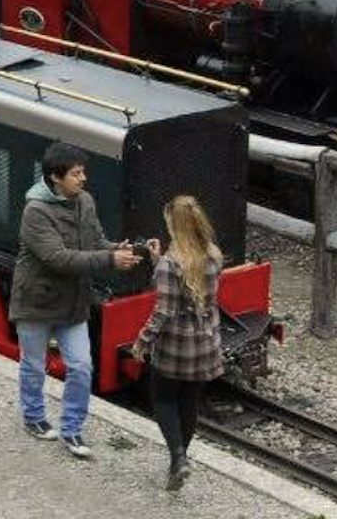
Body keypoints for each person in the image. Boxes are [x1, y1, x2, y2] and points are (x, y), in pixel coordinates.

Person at [10, 141, 142, 460]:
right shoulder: (35, 212)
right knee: (33, 365)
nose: (83, 179)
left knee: (82, 366)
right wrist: (109, 259)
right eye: (76, 173)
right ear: (56, 177)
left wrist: (123, 249)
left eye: (83, 173)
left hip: (73, 302)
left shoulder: (85, 201)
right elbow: (58, 258)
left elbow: (95, 242)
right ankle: (33, 417)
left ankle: (71, 429)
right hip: (36, 303)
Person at [132, 195, 223, 492]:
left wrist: (143, 341)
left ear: (176, 226)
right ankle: (179, 461)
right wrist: (158, 260)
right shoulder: (213, 255)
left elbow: (165, 311)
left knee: (163, 399)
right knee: (189, 401)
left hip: (176, 346)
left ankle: (177, 457)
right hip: (206, 342)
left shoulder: (171, 265)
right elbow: (193, 290)